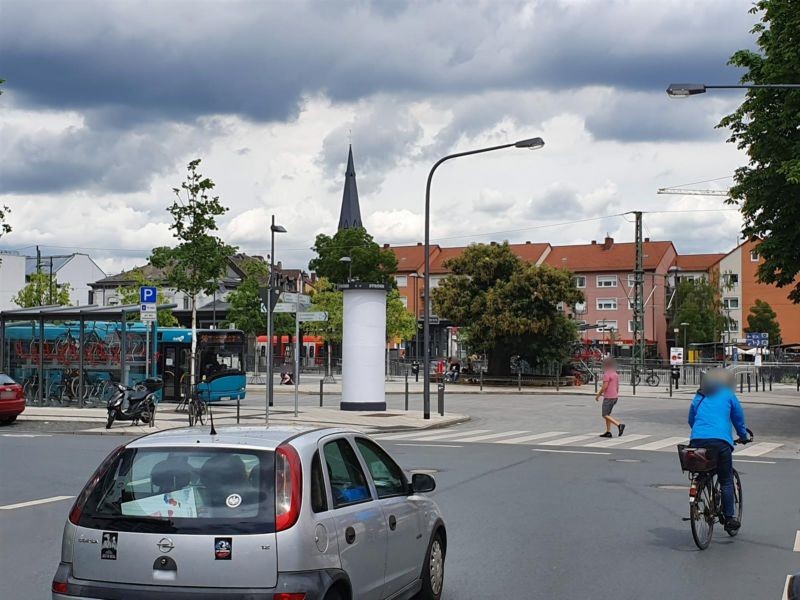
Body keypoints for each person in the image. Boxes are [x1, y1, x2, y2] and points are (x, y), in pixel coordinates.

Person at [688, 368, 750, 533]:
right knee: (726, 480)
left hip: (697, 440)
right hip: (720, 442)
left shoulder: (700, 395)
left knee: (704, 470)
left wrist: (701, 432)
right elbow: (738, 418)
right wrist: (743, 435)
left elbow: (691, 419)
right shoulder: (728, 394)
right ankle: (729, 517)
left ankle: (702, 488)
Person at [595, 357, 625, 438]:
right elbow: (617, 386)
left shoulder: (607, 374)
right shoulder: (615, 374)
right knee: (608, 414)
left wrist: (598, 395)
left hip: (608, 397)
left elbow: (605, 387)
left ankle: (619, 425)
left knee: (604, 414)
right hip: (615, 396)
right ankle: (608, 432)